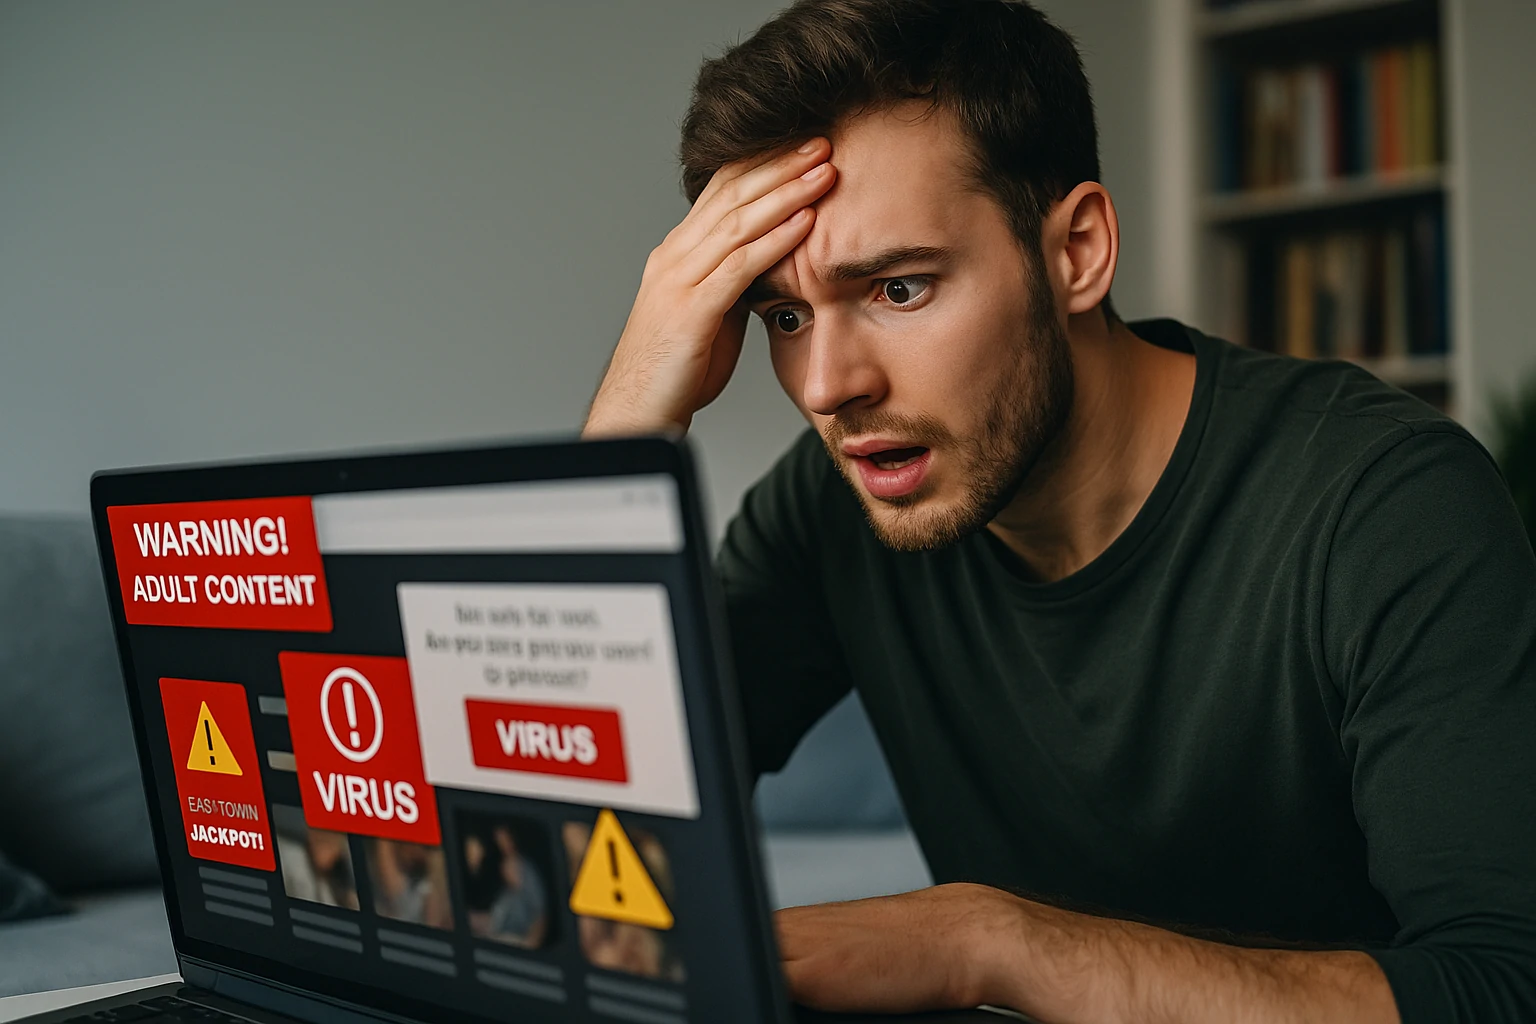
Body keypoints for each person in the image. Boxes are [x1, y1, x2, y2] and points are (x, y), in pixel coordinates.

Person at [581, 1, 1536, 1021]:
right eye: (781, 314)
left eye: (899, 289)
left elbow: (1502, 985)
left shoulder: (1387, 504)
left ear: (1076, 250)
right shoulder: (834, 509)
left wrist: (989, 940)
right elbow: (577, 811)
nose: (826, 385)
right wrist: (635, 412)